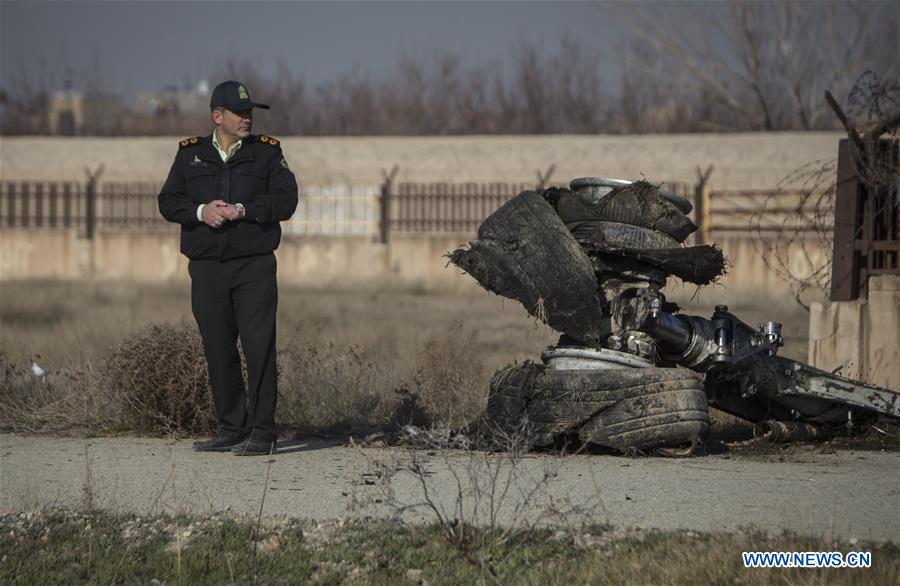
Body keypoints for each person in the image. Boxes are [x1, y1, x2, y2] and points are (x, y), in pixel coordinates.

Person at [158, 80, 298, 455]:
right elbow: (169, 201)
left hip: (253, 266)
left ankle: (263, 431)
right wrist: (203, 212)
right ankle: (231, 428)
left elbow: (286, 201)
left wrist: (244, 211)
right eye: (240, 112)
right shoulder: (190, 154)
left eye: (250, 112)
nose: (247, 118)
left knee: (259, 348)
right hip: (207, 268)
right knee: (218, 348)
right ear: (217, 116)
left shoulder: (267, 153)